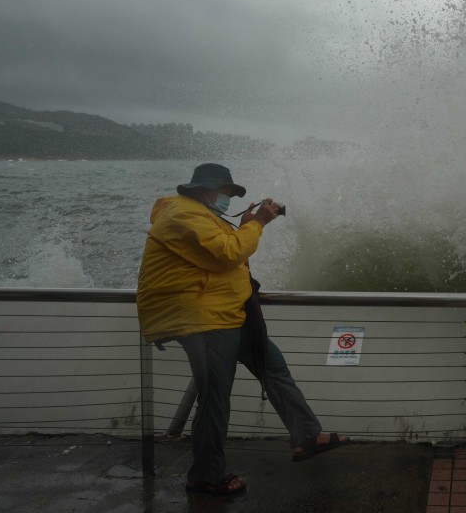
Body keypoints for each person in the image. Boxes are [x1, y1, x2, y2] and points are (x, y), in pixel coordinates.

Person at [136, 163, 349, 496]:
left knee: (273, 367)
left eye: (231, 193)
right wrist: (259, 223)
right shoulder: (182, 215)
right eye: (225, 192)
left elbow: (224, 251)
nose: (228, 198)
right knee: (215, 398)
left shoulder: (202, 214)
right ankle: (205, 476)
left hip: (231, 314)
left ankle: (306, 437)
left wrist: (246, 225)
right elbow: (228, 253)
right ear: (202, 190)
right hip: (204, 319)